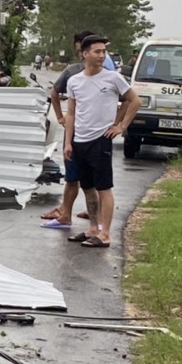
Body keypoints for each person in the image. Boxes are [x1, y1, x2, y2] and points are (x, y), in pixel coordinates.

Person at [62, 35, 138, 248]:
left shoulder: (113, 78)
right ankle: (93, 228)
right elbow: (71, 114)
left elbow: (134, 100)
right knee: (87, 187)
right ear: (84, 54)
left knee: (104, 188)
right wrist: (68, 142)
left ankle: (105, 234)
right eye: (97, 51)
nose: (102, 55)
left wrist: (121, 126)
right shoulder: (74, 81)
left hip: (101, 140)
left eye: (104, 52)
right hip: (80, 141)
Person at [41, 30, 98, 230]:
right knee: (83, 177)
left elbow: (129, 99)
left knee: (79, 177)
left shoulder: (76, 73)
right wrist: (62, 118)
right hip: (87, 133)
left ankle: (84, 219)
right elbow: (56, 94)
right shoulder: (77, 73)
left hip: (85, 133)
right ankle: (86, 219)